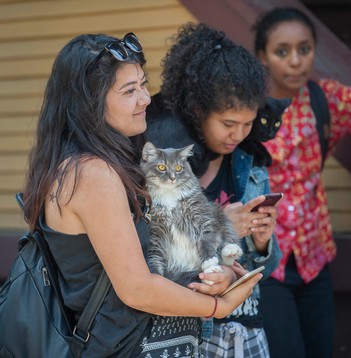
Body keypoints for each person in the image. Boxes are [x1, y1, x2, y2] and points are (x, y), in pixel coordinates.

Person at [21, 31, 264, 358]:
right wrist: (217, 306)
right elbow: (136, 288)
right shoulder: (93, 174)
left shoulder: (94, 165)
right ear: (90, 100)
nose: (146, 98)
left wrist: (214, 276)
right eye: (130, 90)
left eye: (144, 84)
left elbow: (148, 265)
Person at [146, 23, 282, 358]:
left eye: (248, 123)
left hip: (245, 331)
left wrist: (263, 243)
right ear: (198, 111)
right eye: (228, 124)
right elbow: (153, 259)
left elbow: (265, 268)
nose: (239, 135)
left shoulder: (250, 169)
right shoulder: (164, 169)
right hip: (184, 333)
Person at [252, 7, 351, 358]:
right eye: (282, 51)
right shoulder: (247, 107)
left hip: (314, 257)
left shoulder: (325, 99)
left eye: (304, 49)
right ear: (263, 55)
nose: (295, 61)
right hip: (266, 260)